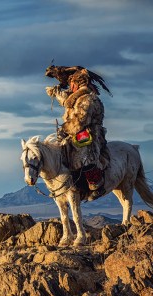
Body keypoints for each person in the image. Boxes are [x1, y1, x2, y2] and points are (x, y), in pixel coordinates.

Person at [46, 68, 109, 199]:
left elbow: (80, 121)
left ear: (77, 83)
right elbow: (68, 101)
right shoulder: (77, 98)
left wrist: (64, 129)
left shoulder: (87, 99)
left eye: (72, 84)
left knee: (82, 152)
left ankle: (96, 184)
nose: (70, 86)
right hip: (74, 131)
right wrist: (58, 95)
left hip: (89, 133)